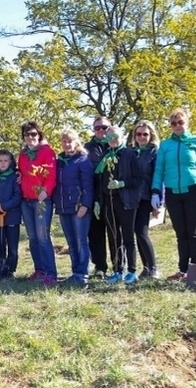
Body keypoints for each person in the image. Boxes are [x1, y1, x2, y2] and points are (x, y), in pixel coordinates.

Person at [151, 108, 196, 280]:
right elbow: (159, 169)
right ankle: (183, 270)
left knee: (193, 232)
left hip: (193, 191)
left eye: (181, 122)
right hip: (172, 193)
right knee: (181, 233)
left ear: (187, 122)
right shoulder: (165, 145)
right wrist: (156, 191)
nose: (177, 126)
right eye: (173, 123)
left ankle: (195, 269)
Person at [94, 126, 142, 285]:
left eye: (115, 136)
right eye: (109, 136)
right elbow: (99, 180)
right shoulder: (105, 156)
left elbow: (138, 179)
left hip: (126, 202)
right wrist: (98, 201)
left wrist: (122, 183)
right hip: (109, 203)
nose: (113, 139)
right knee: (114, 237)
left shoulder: (130, 154)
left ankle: (132, 271)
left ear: (122, 136)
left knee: (128, 237)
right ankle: (117, 270)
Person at [18, 121, 57, 286]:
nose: (30, 137)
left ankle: (51, 274)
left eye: (33, 134)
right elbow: (21, 171)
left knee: (43, 237)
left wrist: (46, 191)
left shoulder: (47, 152)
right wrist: (19, 176)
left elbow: (52, 175)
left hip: (42, 200)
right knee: (33, 238)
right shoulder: (23, 154)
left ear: (39, 135)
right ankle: (39, 270)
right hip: (26, 201)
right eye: (27, 134)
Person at [53, 129, 93, 285]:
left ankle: (83, 273)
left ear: (76, 142)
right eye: (64, 141)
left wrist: (85, 204)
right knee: (71, 242)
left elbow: (88, 185)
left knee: (81, 240)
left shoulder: (82, 160)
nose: (67, 144)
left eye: (70, 141)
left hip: (79, 207)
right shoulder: (59, 161)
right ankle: (75, 271)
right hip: (63, 208)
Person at [84, 116, 112, 279]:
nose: (101, 130)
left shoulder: (116, 145)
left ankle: (118, 266)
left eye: (104, 127)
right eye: (97, 128)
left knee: (115, 233)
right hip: (95, 195)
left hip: (114, 196)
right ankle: (100, 266)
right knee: (95, 234)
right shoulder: (87, 148)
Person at [131, 120, 160, 279]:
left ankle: (153, 267)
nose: (142, 137)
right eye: (139, 134)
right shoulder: (131, 151)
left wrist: (158, 199)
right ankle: (146, 268)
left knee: (142, 232)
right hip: (130, 198)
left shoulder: (154, 152)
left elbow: (158, 175)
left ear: (151, 135)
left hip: (146, 197)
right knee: (136, 232)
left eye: (145, 134)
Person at [0, 149, 22, 279]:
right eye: (0, 161)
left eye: (6, 161)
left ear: (11, 162)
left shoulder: (15, 177)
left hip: (12, 215)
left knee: (12, 246)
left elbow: (18, 196)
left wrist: (5, 206)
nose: (3, 164)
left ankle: (10, 270)